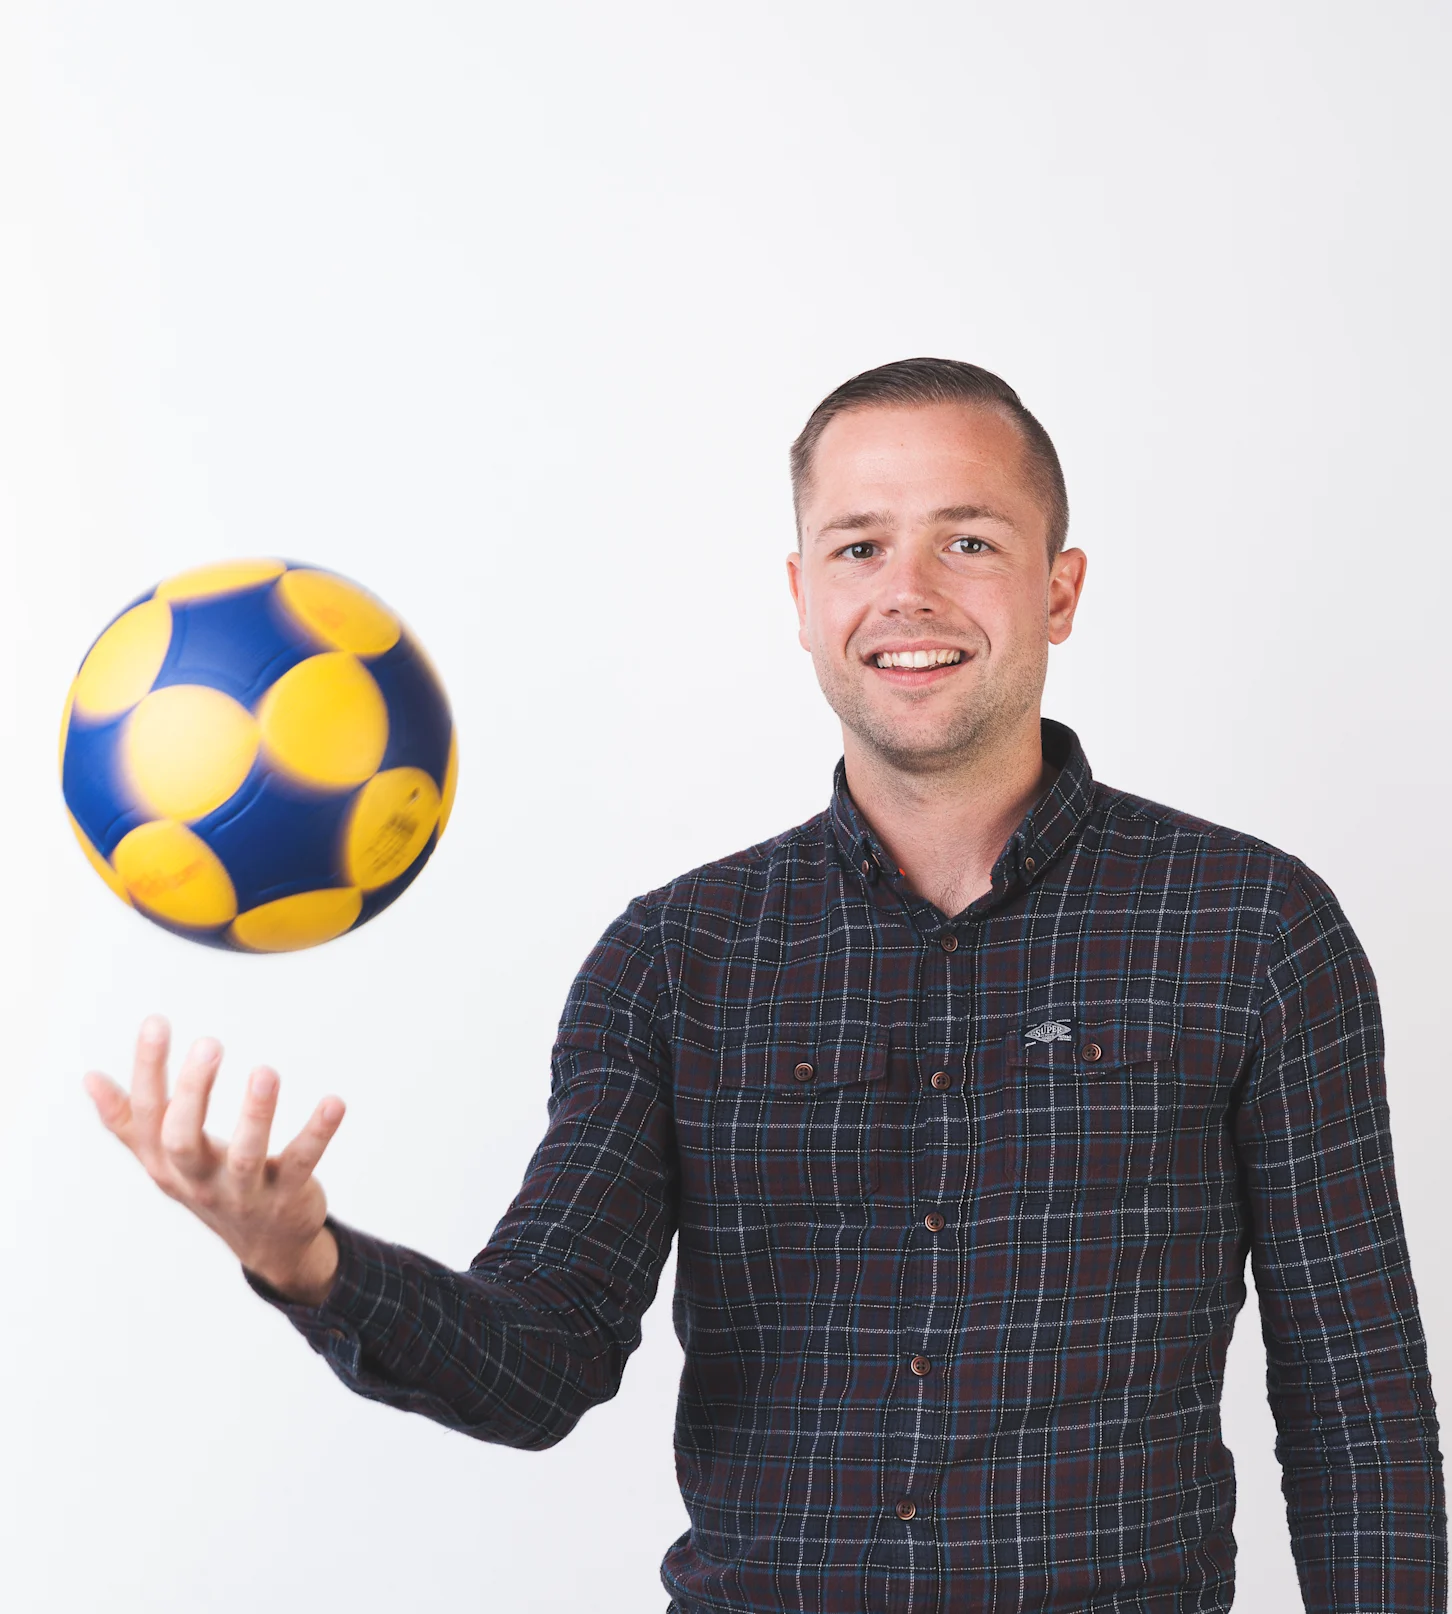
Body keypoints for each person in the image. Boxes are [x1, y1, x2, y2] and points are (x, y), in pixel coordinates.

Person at [86, 359, 1445, 1612]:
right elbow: (543, 1352)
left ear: (1060, 589)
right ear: (801, 596)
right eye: (860, 546)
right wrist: (301, 1257)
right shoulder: (677, 960)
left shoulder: (1255, 929)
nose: (907, 591)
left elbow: (1356, 1401)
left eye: (968, 540)